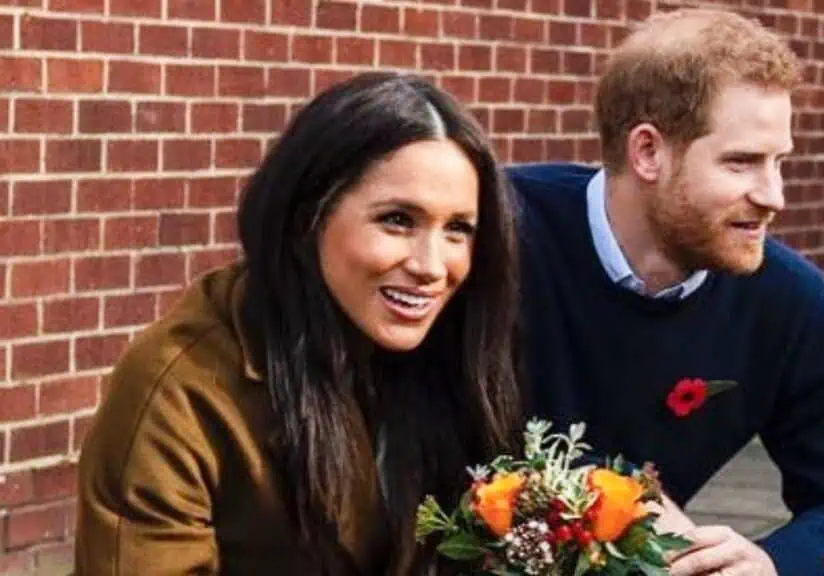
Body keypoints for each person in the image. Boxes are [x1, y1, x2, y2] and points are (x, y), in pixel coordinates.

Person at [506, 7, 824, 575]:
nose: (774, 196)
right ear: (648, 151)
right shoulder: (497, 236)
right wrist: (620, 499)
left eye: (779, 162)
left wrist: (771, 565)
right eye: (741, 163)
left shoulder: (787, 299)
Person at [75, 72, 522, 575]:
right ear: (308, 215)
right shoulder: (178, 392)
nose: (432, 266)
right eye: (397, 220)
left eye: (458, 229)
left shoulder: (453, 354)